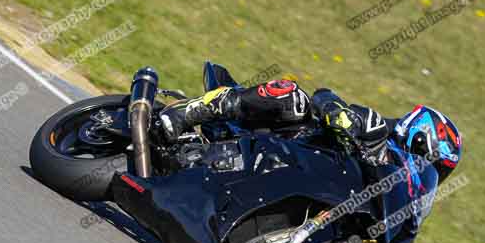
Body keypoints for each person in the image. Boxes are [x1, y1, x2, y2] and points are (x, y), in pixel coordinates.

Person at [159, 74, 462, 182]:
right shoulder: (375, 128)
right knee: (294, 97)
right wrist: (338, 114)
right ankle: (191, 112)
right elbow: (324, 94)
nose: (430, 172)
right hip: (283, 144)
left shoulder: (394, 189)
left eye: (439, 172)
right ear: (420, 139)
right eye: (432, 163)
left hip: (295, 183)